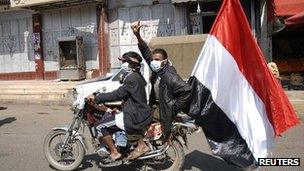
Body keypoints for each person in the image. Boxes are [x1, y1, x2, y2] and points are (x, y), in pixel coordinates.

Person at [131, 21, 193, 139]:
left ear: (164, 61)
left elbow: (187, 90)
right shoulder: (158, 69)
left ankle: (141, 145)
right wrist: (137, 35)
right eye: (153, 59)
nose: (154, 62)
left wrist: (173, 108)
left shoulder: (169, 75)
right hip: (158, 105)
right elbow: (146, 53)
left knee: (136, 118)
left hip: (165, 108)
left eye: (157, 59)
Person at [86, 51, 152, 161]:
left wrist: (97, 98)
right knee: (111, 116)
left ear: (131, 63)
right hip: (137, 110)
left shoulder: (131, 78)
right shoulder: (136, 76)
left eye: (125, 61)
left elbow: (118, 94)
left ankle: (114, 152)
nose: (123, 64)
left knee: (100, 126)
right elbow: (123, 93)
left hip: (133, 114)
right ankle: (122, 146)